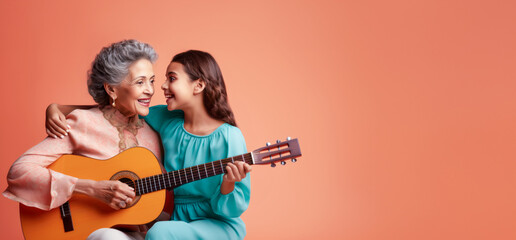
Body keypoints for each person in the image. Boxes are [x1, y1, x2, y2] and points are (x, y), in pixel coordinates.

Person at [46, 50, 252, 239]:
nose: (160, 86)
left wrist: (228, 184)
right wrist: (58, 108)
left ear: (198, 85)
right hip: (177, 218)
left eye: (171, 79)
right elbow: (116, 109)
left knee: (159, 232)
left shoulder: (230, 136)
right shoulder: (167, 119)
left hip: (216, 224)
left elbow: (233, 210)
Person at [3, 39, 162, 240]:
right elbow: (20, 171)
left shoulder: (154, 133)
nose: (150, 90)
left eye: (152, 81)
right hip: (91, 233)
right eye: (140, 82)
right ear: (111, 89)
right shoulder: (84, 122)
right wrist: (91, 188)